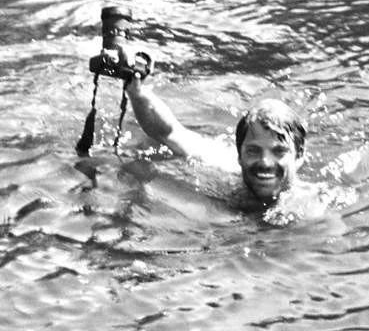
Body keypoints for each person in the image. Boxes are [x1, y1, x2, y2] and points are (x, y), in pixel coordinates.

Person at [108, 47, 331, 226]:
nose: (265, 162)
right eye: (253, 150)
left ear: (299, 155)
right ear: (239, 155)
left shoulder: (314, 205)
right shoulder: (222, 165)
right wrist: (136, 92)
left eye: (279, 151)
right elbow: (170, 132)